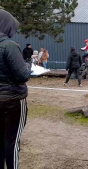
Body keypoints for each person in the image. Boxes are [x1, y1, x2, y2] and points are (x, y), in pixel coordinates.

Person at [0, 9, 32, 169]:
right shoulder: (10, 46)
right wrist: (29, 65)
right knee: (12, 142)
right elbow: (22, 76)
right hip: (13, 101)